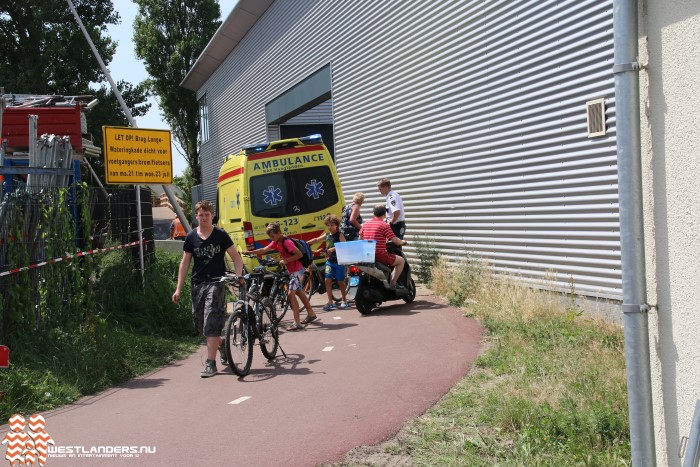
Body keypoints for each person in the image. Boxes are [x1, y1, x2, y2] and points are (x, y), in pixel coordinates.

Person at [172, 200, 244, 378]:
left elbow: (236, 257)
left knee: (211, 320)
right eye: (201, 215)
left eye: (207, 214)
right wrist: (178, 289)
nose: (204, 218)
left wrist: (238, 275)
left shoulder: (220, 235)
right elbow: (185, 264)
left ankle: (210, 364)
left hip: (217, 282)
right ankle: (221, 344)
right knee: (200, 325)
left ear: (212, 216)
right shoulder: (191, 238)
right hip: (198, 284)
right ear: (196, 216)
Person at [245, 223, 318, 331]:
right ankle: (311, 314)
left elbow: (299, 254)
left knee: (291, 294)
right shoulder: (277, 242)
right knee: (299, 292)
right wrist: (249, 252)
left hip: (297, 270)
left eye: (273, 236)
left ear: (279, 233)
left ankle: (297, 323)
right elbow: (264, 250)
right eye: (270, 237)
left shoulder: (286, 242)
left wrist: (285, 261)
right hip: (292, 271)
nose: (271, 239)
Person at [308, 214, 350, 311]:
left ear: (336, 225)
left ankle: (344, 300)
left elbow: (345, 246)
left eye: (332, 225)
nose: (330, 227)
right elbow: (317, 239)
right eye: (328, 225)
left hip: (339, 262)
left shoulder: (339, 235)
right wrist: (306, 242)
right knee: (327, 280)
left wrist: (334, 248)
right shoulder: (327, 235)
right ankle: (330, 302)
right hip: (330, 262)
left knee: (340, 282)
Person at [359, 204, 408, 287]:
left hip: (366, 256)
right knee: (401, 261)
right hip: (379, 255)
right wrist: (402, 242)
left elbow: (360, 239)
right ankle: (393, 283)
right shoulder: (384, 225)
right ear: (385, 214)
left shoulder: (365, 225)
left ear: (374, 213)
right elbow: (395, 240)